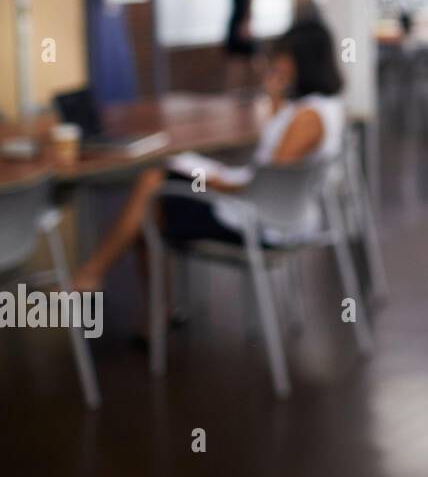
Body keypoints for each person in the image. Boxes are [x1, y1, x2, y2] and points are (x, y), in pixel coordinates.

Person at [69, 18, 346, 296]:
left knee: (151, 196)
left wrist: (215, 181)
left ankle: (95, 278)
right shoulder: (325, 109)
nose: (279, 64)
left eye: (285, 57)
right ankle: (105, 285)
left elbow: (265, 182)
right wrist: (275, 100)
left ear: (304, 60)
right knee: (155, 190)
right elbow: (275, 168)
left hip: (261, 223)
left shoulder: (306, 118)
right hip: (286, 215)